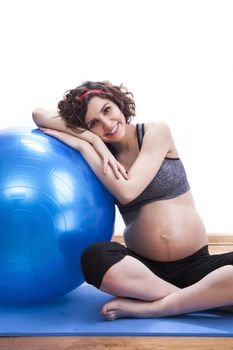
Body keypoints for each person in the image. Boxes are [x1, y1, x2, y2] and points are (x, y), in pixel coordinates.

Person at [32, 80, 233, 321]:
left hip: (198, 265)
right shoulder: (99, 154)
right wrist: (91, 144)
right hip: (143, 272)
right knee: (94, 258)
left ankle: (155, 307)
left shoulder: (155, 131)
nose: (107, 124)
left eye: (107, 110)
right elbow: (38, 115)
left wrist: (87, 145)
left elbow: (128, 190)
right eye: (93, 123)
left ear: (119, 103)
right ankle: (204, 300)